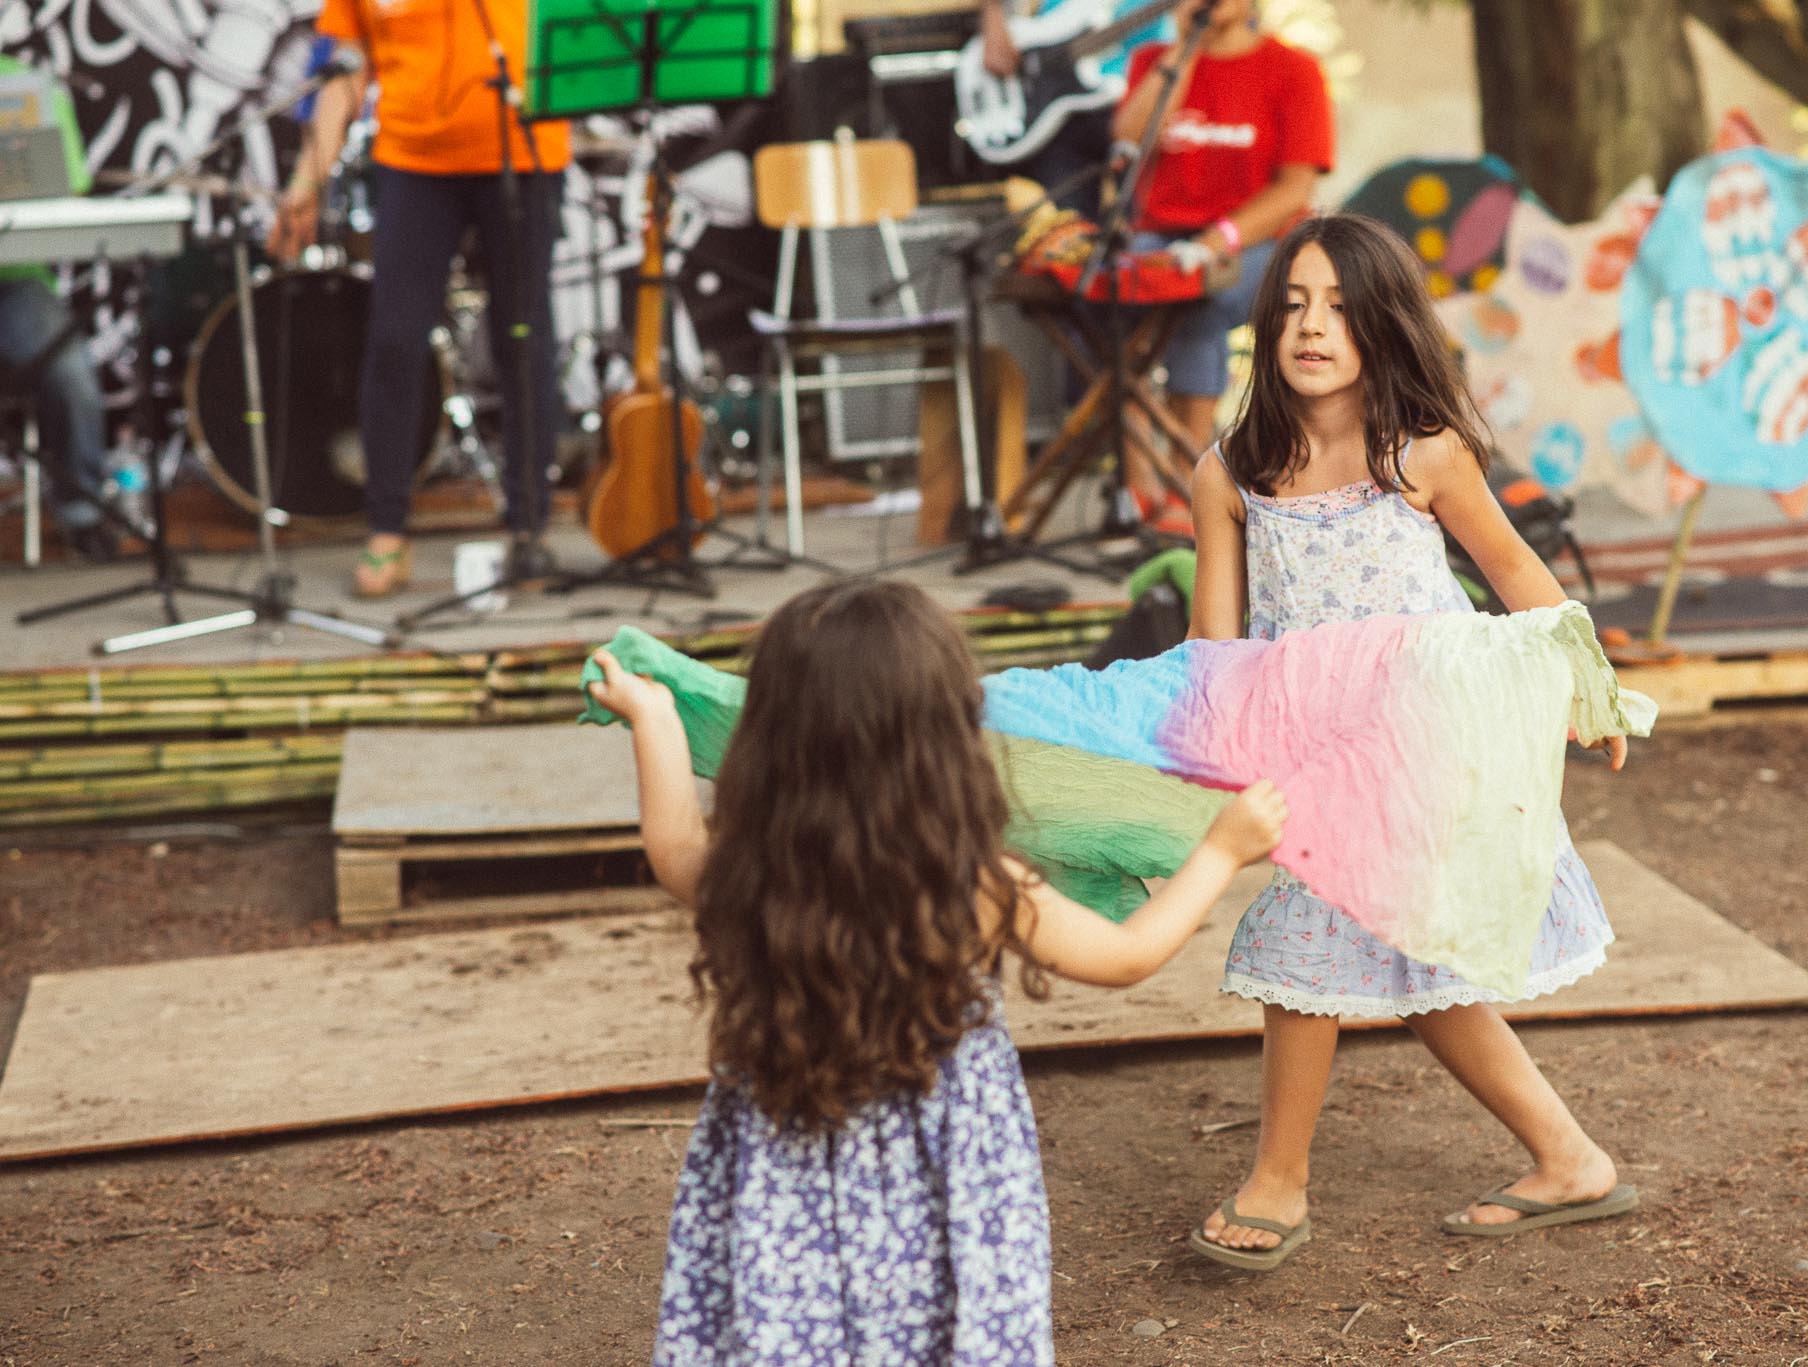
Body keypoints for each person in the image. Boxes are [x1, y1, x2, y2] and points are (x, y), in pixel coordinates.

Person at [587, 579, 1286, 1365]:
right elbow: (1125, 956)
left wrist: (653, 718)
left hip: (785, 1160)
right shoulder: (970, 886)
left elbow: (675, 843)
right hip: (942, 1172)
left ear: (771, 740)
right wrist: (1221, 850)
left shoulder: (757, 874)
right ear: (944, 741)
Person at [1184, 214, 1639, 1272]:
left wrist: (1587, 685)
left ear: (1381, 323)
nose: (1310, 326)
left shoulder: (1419, 452)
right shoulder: (1231, 472)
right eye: (1292, 304)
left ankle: (1276, 1180)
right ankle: (1568, 1158)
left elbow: (1517, 575)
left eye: (1338, 307)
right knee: (1415, 966)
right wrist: (1210, 751)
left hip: (1427, 742)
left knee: (1310, 943)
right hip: (1311, 749)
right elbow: (1214, 642)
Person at [268, 0, 568, 598]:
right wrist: (309, 178)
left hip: (522, 150)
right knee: (395, 341)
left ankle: (529, 526)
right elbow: (346, 73)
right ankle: (386, 530)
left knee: (523, 337)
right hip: (412, 161)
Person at [1109, 0, 1331, 534]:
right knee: (1116, 307)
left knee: (1200, 302)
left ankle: (1191, 485)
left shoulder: (1294, 70)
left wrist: (1216, 241)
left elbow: (1296, 188)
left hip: (1259, 241)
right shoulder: (1153, 62)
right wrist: (1185, 52)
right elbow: (1127, 145)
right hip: (1160, 235)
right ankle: (1137, 490)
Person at [0, 57, 118, 562]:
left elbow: (69, 184)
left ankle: (82, 511)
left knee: (71, 377)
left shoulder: (26, 85)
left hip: (15, 282)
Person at [976, 0, 1172, 215]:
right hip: (1056, 120)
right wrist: (993, 17)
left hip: (1137, 108)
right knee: (1069, 228)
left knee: (1141, 224)